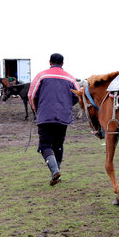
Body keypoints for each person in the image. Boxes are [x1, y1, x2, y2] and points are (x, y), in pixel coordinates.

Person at [28, 53, 80, 185]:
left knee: (45, 144)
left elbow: (31, 94)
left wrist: (37, 110)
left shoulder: (41, 75)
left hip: (45, 116)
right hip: (63, 116)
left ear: (50, 62)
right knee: (58, 144)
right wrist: (66, 106)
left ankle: (55, 171)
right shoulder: (71, 78)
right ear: (62, 64)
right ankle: (57, 173)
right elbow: (79, 95)